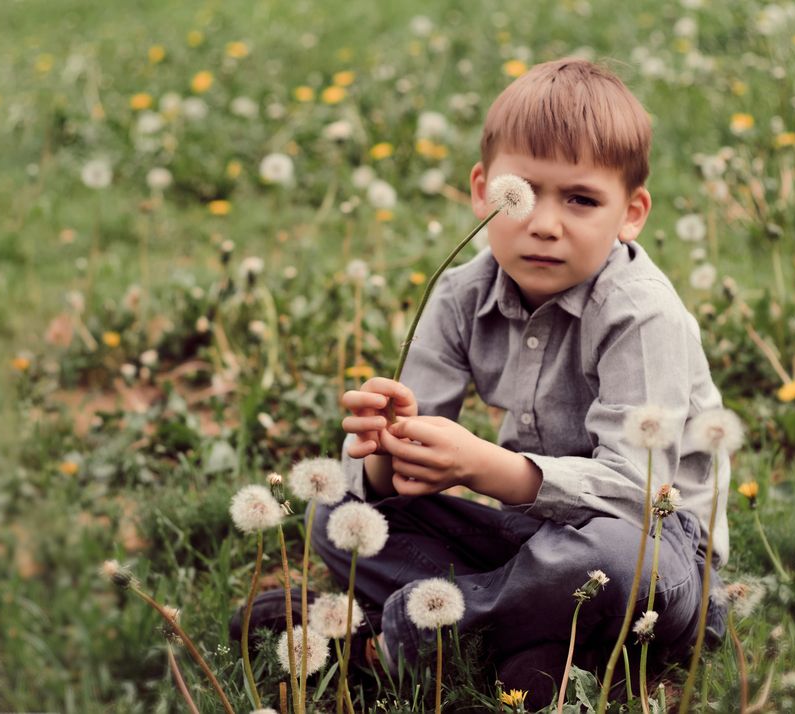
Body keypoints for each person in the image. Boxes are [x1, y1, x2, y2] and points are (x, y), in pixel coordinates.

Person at [239, 57, 729, 708]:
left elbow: (638, 498)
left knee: (615, 560)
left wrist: (482, 467)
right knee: (339, 510)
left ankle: (400, 636)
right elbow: (396, 486)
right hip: (526, 547)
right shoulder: (460, 293)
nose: (545, 223)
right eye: (519, 194)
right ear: (480, 191)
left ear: (631, 212)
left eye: (581, 199)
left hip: (654, 559)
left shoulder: (643, 315)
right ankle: (523, 653)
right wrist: (388, 448)